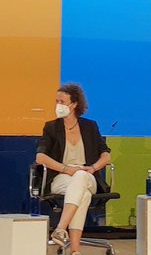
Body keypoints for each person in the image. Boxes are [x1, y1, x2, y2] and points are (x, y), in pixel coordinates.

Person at [35, 83, 112, 255]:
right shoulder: (51, 127)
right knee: (83, 194)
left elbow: (106, 155)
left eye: (62, 101)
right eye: (57, 101)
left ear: (74, 104)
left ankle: (60, 228)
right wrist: (66, 169)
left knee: (81, 177)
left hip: (88, 175)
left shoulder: (90, 126)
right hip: (61, 177)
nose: (58, 105)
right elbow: (40, 157)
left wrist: (93, 168)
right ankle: (74, 250)